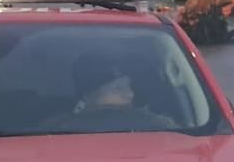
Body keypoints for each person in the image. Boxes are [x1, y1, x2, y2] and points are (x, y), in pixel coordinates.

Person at [47, 56, 176, 133]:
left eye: (129, 85)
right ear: (88, 94)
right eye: (117, 89)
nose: (130, 94)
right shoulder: (56, 129)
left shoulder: (158, 126)